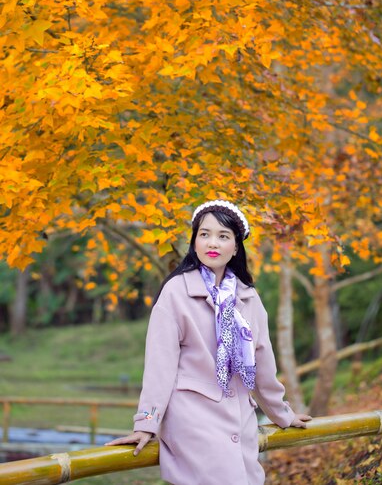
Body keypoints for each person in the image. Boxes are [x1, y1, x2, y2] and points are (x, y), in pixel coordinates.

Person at [105, 199, 311, 484]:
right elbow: (159, 366)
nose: (212, 242)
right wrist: (146, 424)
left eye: (223, 236)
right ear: (194, 241)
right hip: (192, 420)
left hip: (241, 419)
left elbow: (262, 364)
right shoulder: (175, 292)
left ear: (236, 247)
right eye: (205, 234)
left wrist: (282, 413)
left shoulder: (248, 297)